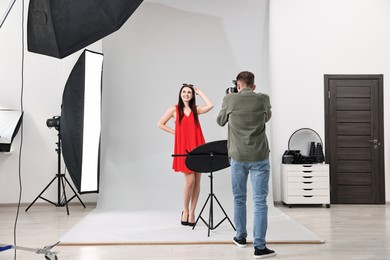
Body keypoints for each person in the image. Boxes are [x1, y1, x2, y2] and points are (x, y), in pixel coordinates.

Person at [216, 71, 275, 259]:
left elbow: (220, 121)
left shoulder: (230, 99)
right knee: (260, 202)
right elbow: (266, 118)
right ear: (254, 86)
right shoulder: (263, 99)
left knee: (239, 198)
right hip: (259, 156)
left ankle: (240, 238)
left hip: (238, 157)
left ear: (238, 85)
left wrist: (230, 96)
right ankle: (260, 247)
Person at [158, 84, 213, 226]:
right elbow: (160, 124)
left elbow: (210, 105)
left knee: (197, 181)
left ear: (192, 95)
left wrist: (200, 92)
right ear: (180, 94)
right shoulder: (174, 109)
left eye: (189, 92)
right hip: (184, 149)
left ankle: (193, 211)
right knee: (190, 182)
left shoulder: (196, 109)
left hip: (198, 146)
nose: (186, 94)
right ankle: (185, 210)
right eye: (184, 92)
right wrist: (176, 132)